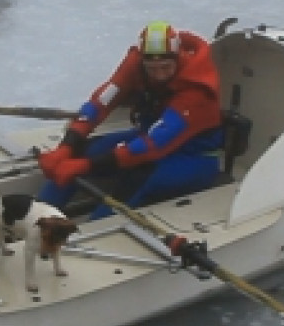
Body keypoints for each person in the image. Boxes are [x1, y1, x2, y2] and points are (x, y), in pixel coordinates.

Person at [37, 21, 224, 219]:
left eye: (166, 67)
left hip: (193, 156)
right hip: (150, 137)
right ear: (143, 61)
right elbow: (100, 103)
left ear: (178, 58)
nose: (159, 75)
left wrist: (86, 166)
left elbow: (153, 145)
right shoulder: (135, 65)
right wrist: (68, 145)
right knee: (84, 150)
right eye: (152, 68)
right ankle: (34, 216)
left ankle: (92, 230)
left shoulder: (196, 90)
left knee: (138, 176)